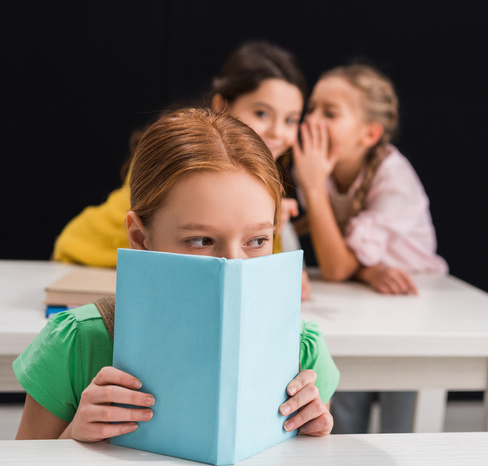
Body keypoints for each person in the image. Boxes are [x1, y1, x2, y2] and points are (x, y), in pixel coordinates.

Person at [13, 108, 339, 441]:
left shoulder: (301, 352)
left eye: (257, 240)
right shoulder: (76, 347)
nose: (234, 265)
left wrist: (311, 438)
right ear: (140, 238)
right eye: (201, 240)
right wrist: (72, 439)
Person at [51, 41, 312, 299]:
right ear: (221, 105)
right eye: (262, 113)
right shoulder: (178, 158)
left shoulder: (269, 167)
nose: (278, 132)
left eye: (290, 119)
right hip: (85, 263)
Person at [291, 63, 447, 433]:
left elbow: (335, 267)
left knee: (402, 417)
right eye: (311, 109)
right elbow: (342, 267)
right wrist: (362, 269)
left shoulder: (393, 175)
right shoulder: (315, 168)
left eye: (329, 113)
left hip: (416, 299)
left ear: (370, 134)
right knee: (345, 405)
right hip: (361, 295)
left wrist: (314, 187)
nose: (312, 120)